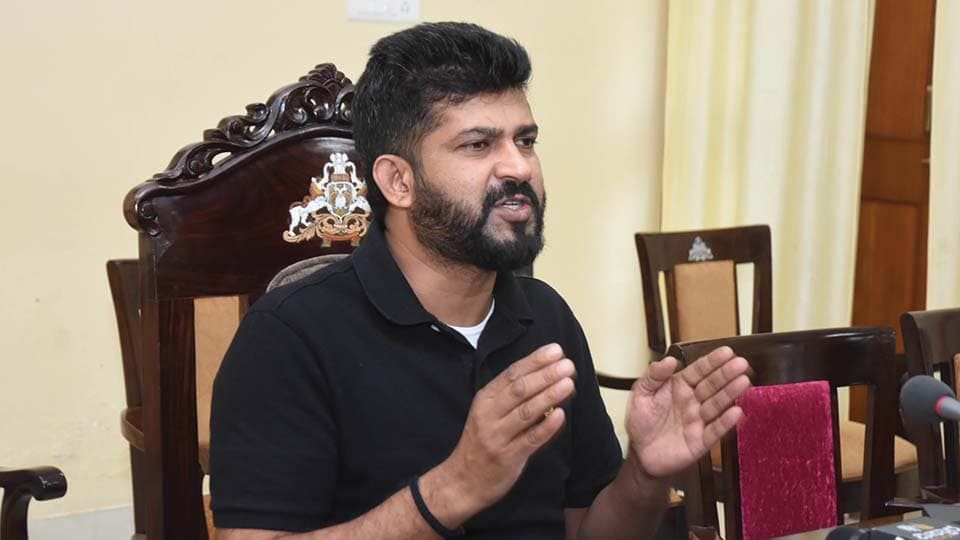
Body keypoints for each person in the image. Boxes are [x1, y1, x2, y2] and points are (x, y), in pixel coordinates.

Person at [209, 21, 751, 540]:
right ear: (398, 181)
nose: (519, 168)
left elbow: (588, 532)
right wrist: (455, 487)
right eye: (478, 145)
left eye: (526, 140)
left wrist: (644, 475)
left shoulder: (546, 317)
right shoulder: (289, 335)